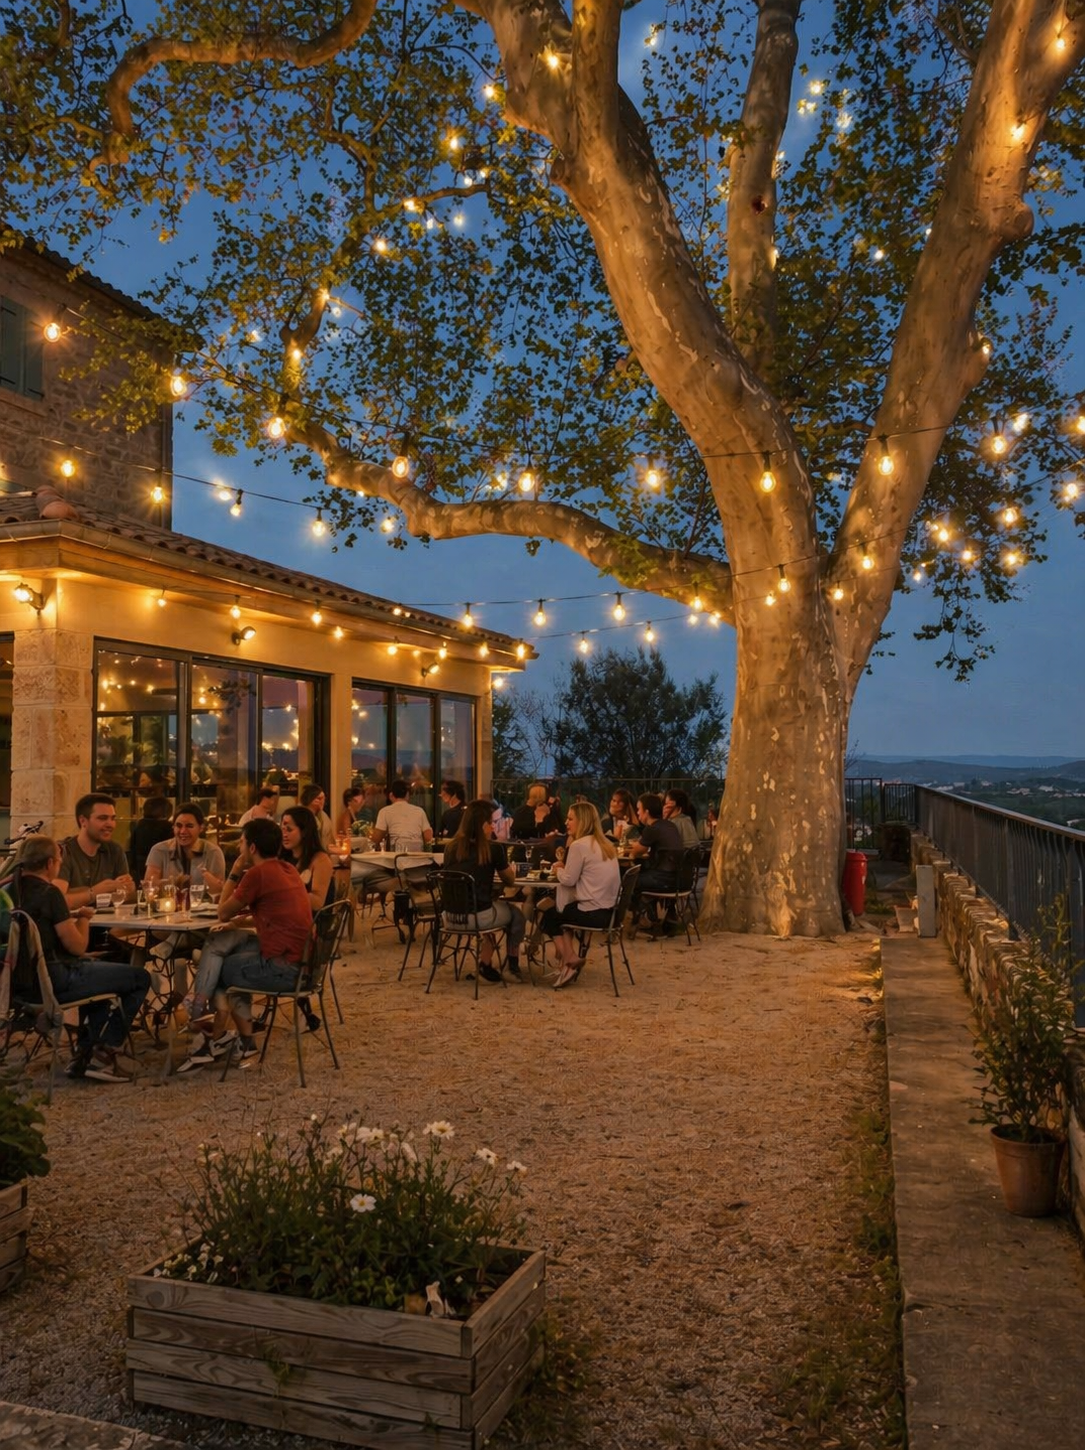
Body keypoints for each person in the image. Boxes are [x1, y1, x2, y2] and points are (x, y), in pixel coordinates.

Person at [9, 835, 150, 1082]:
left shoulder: (9, 891)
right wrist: (83, 917)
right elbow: (76, 946)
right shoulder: (50, 893)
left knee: (99, 985)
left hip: (16, 984)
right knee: (139, 977)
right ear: (51, 863)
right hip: (54, 979)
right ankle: (106, 1050)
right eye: (59, 860)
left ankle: (85, 1055)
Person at [178, 817, 312, 1070]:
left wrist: (235, 869)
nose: (239, 848)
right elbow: (272, 914)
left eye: (241, 843)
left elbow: (223, 912)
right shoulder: (287, 869)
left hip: (282, 968)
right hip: (302, 964)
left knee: (220, 963)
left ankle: (204, 1025)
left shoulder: (257, 874)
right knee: (222, 941)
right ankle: (228, 1037)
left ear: (252, 848)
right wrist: (238, 925)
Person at [538, 803, 621, 990]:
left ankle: (569, 959)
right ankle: (568, 962)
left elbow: (568, 880)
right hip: (611, 913)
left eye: (570, 818)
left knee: (550, 916)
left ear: (581, 821)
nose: (566, 822)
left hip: (591, 912)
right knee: (563, 913)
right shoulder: (607, 844)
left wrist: (557, 868)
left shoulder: (579, 845)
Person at [442, 799, 526, 982]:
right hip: (478, 916)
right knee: (516, 914)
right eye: (490, 823)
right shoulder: (493, 849)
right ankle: (511, 967)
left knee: (488, 908)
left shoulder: (450, 848)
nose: (493, 827)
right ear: (481, 825)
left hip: (450, 916)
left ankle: (486, 964)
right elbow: (510, 880)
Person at [55, 794, 135, 909]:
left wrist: (128, 888)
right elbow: (58, 902)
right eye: (102, 818)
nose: (110, 824)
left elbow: (128, 895)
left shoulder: (115, 850)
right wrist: (94, 892)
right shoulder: (63, 852)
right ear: (83, 821)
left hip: (109, 921)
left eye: (113, 818)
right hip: (74, 923)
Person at [144, 802, 226, 897]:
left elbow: (219, 892)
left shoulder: (213, 852)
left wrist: (206, 875)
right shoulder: (159, 850)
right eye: (178, 826)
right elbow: (149, 886)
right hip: (167, 909)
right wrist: (175, 882)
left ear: (201, 828)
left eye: (189, 826)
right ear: (173, 827)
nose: (183, 831)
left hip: (203, 909)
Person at [626, 793, 682, 915]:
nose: (638, 813)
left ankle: (642, 917)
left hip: (662, 880)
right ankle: (650, 914)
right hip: (679, 879)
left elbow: (638, 850)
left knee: (629, 880)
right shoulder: (670, 825)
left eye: (639, 809)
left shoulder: (652, 828)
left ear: (646, 811)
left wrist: (630, 851)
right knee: (641, 873)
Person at [373, 779, 433, 852]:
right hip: (418, 856)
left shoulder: (385, 811)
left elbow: (377, 837)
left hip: (397, 856)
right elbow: (428, 836)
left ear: (391, 795)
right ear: (407, 795)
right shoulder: (419, 811)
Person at [127, 797, 173, 882]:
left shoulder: (138, 826)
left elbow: (131, 851)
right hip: (161, 875)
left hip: (138, 873)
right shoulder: (168, 828)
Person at [300, 783, 335, 852]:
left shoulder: (323, 815)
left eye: (324, 798)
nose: (322, 801)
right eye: (319, 798)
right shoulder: (301, 816)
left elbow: (329, 839)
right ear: (309, 799)